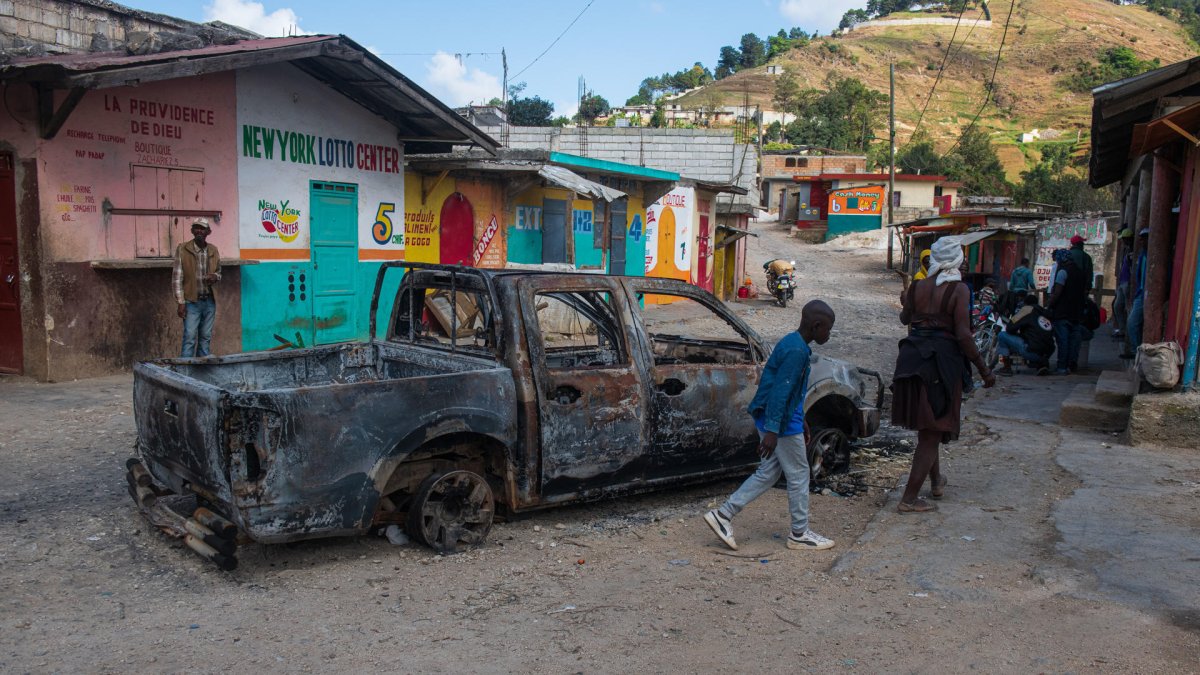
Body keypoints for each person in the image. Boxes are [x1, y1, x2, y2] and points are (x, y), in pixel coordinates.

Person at [704, 300, 837, 552]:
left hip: (778, 418)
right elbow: (780, 392)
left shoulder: (792, 342)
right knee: (799, 474)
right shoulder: (797, 351)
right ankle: (799, 533)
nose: (828, 335)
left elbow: (789, 391)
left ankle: (723, 515)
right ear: (816, 325)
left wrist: (802, 419)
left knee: (769, 472)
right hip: (780, 423)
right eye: (827, 329)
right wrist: (774, 432)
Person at [891, 237, 995, 513]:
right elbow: (962, 333)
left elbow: (906, 319)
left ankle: (936, 481)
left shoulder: (918, 286)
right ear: (956, 260)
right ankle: (909, 499)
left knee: (929, 427)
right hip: (940, 364)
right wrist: (983, 369)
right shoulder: (959, 290)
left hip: (911, 359)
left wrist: (906, 301)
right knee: (931, 432)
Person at [173, 217, 221, 357]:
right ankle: (185, 372)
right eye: (196, 228)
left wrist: (215, 277)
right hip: (191, 301)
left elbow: (219, 272)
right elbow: (177, 278)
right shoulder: (183, 249)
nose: (199, 231)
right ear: (192, 231)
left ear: (208, 232)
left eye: (202, 228)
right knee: (189, 337)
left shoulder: (213, 250)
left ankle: (202, 371)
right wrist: (181, 302)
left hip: (209, 301)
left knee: (205, 337)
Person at [1046, 248, 1086, 374]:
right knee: (1074, 341)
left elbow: (1057, 293)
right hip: (1077, 312)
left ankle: (1062, 366)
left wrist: (1049, 305)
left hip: (1062, 312)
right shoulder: (1080, 272)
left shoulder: (1063, 272)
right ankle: (1072, 364)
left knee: (1063, 341)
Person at [997, 294, 1054, 376]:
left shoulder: (1026, 309)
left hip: (1032, 351)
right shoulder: (1043, 311)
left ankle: (1006, 368)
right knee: (1037, 340)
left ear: (1025, 303)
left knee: (1002, 335)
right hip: (1048, 351)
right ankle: (1042, 364)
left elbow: (1010, 327)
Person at [1124, 228, 1150, 357]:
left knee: (1133, 322)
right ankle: (1136, 350)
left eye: (1145, 238)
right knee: (1134, 323)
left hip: (1147, 295)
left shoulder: (1152, 255)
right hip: (1141, 293)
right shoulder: (1142, 255)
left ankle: (1137, 352)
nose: (1143, 241)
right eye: (1142, 238)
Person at [1112, 228, 1134, 338]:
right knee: (1117, 306)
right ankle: (1122, 329)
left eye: (1125, 239)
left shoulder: (1133, 251)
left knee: (1128, 307)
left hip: (1127, 282)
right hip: (1123, 282)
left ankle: (1127, 333)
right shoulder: (1127, 250)